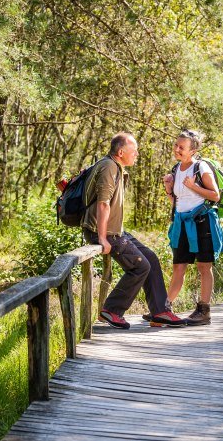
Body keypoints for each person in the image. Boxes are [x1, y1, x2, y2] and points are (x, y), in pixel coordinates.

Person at [82, 131, 186, 329]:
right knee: (140, 266)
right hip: (104, 232)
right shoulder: (108, 168)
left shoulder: (116, 166)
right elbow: (103, 204)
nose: (137, 154)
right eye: (134, 151)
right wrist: (102, 238)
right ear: (121, 152)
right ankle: (112, 310)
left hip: (116, 231)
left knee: (151, 259)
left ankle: (160, 312)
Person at [162, 130, 223, 325]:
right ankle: (164, 308)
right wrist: (168, 189)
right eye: (176, 145)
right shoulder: (176, 168)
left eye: (182, 147)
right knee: (178, 266)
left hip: (202, 222)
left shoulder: (202, 167)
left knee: (203, 266)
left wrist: (193, 186)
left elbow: (215, 195)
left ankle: (204, 311)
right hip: (181, 223)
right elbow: (178, 200)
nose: (177, 149)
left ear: (193, 150)